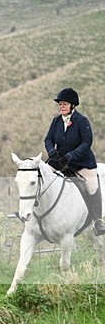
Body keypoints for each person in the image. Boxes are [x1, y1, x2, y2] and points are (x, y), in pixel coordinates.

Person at [44, 87, 105, 236]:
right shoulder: (56, 121)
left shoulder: (82, 121)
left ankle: (98, 221)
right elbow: (48, 139)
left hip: (81, 162)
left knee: (92, 187)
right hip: (60, 161)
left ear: (72, 105)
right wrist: (51, 151)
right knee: (40, 177)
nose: (61, 106)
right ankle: (30, 213)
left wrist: (72, 155)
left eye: (64, 104)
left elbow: (87, 142)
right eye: (60, 104)